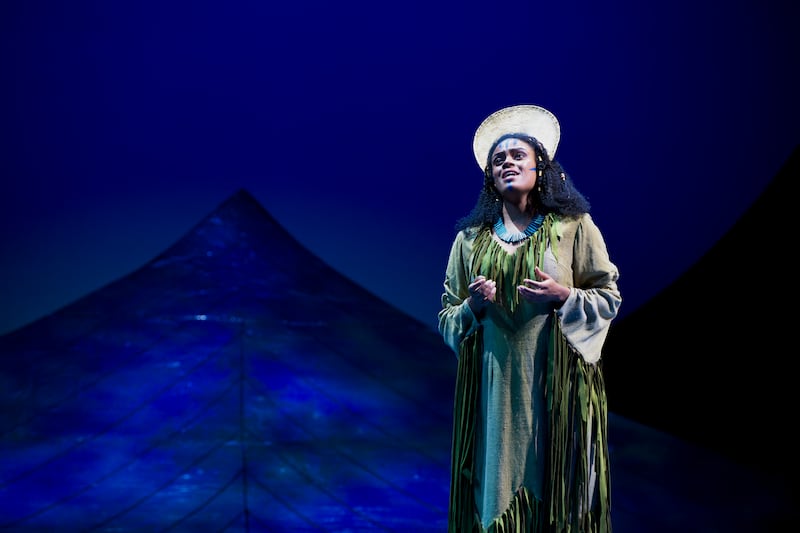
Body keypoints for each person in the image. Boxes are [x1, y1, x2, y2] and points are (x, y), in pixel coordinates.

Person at [438, 104, 621, 532]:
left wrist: (565, 296)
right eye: (498, 160)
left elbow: (607, 296)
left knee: (558, 493)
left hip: (554, 389)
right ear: (490, 177)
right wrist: (472, 307)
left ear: (540, 165)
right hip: (495, 395)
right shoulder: (467, 242)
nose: (508, 164)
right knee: (495, 496)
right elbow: (447, 317)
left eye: (518, 155)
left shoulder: (575, 227)